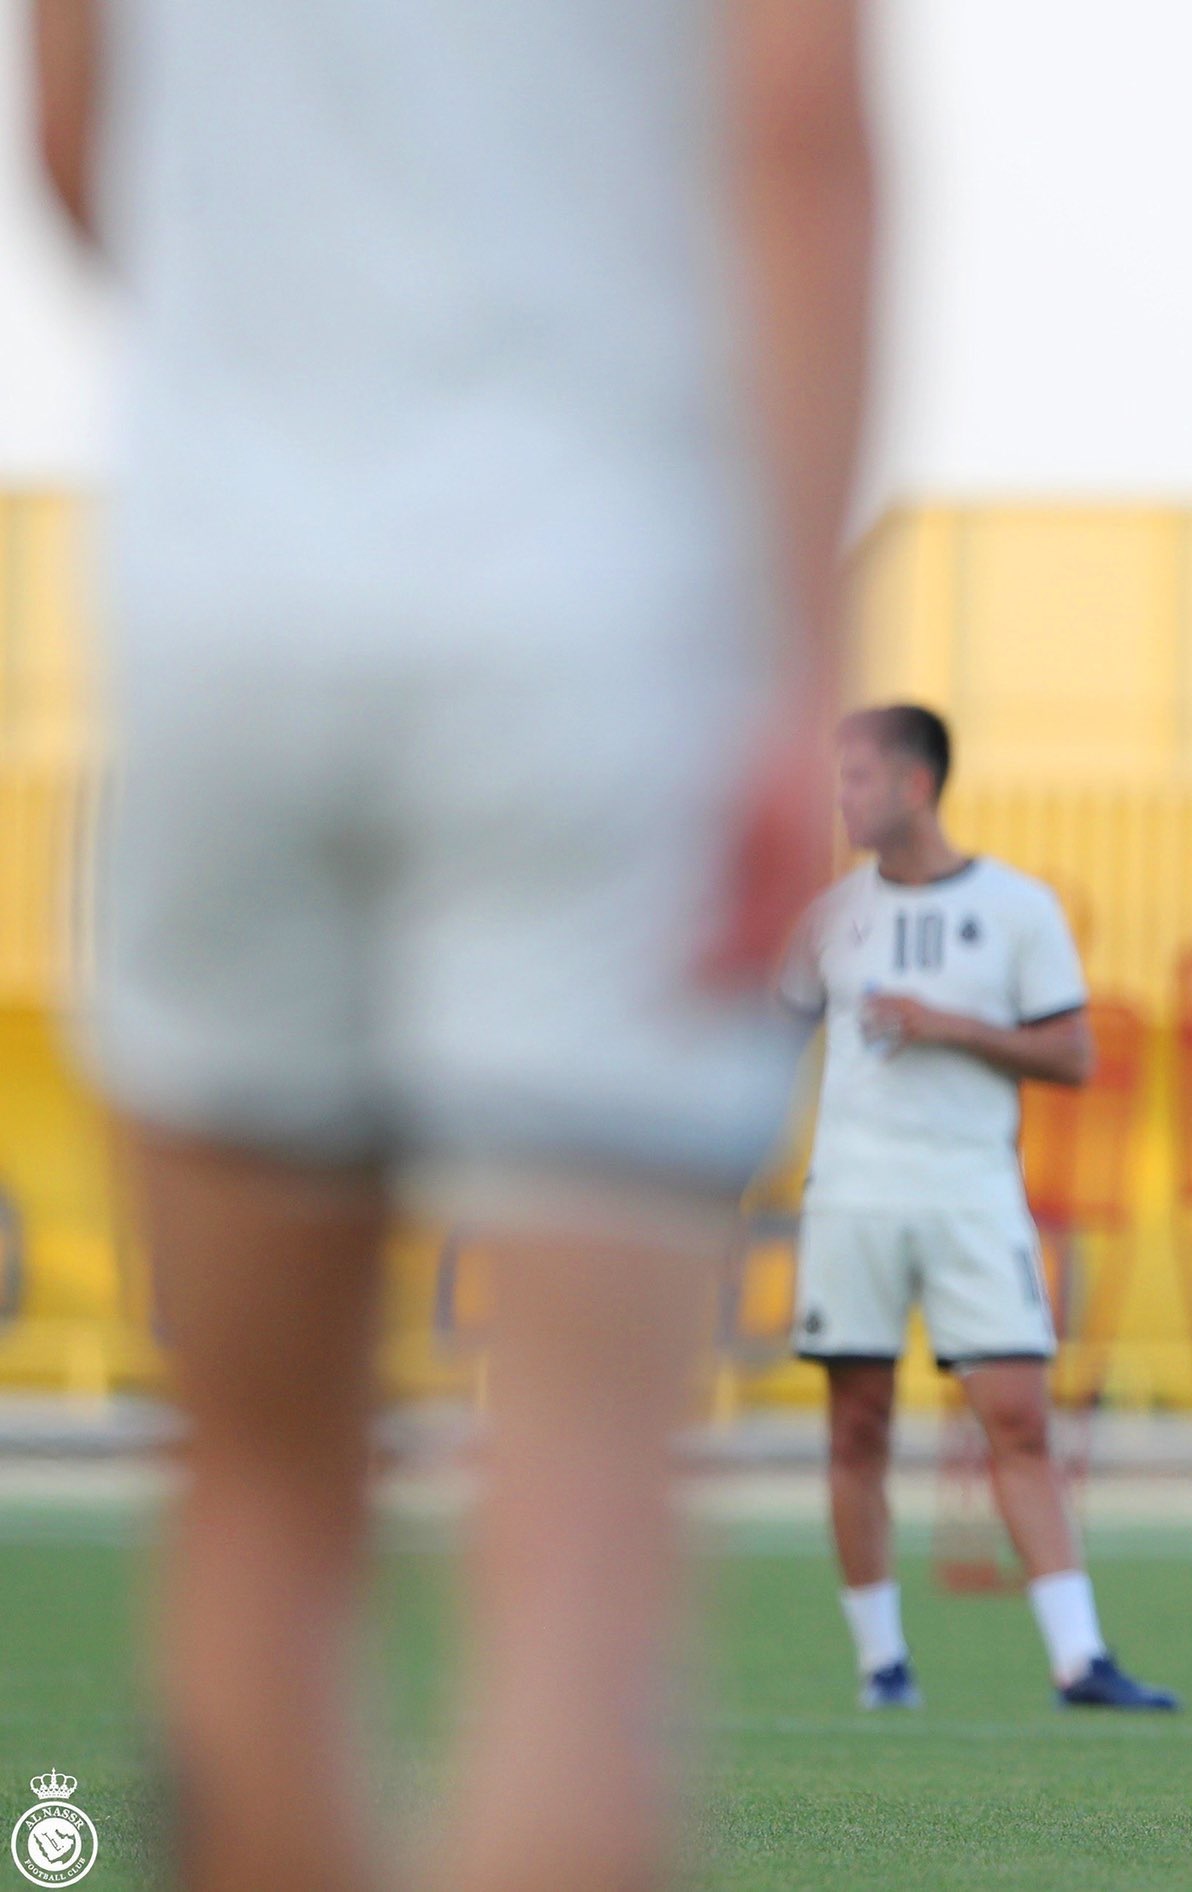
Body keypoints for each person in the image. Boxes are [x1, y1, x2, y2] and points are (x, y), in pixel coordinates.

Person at [34, 2, 873, 1888]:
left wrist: (299, 341)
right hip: (591, 625)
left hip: (230, 610)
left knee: (256, 1500)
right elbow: (802, 142)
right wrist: (801, 656)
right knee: (572, 1562)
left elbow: (75, 141)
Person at [779, 704, 1178, 1712]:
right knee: (855, 1421)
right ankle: (882, 1666)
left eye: (859, 777)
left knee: (1015, 1416)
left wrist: (945, 1024)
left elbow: (1072, 1054)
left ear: (914, 785)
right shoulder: (827, 915)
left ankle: (1078, 1658)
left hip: (971, 1189)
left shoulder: (1015, 906)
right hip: (852, 1191)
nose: (844, 796)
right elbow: (766, 1040)